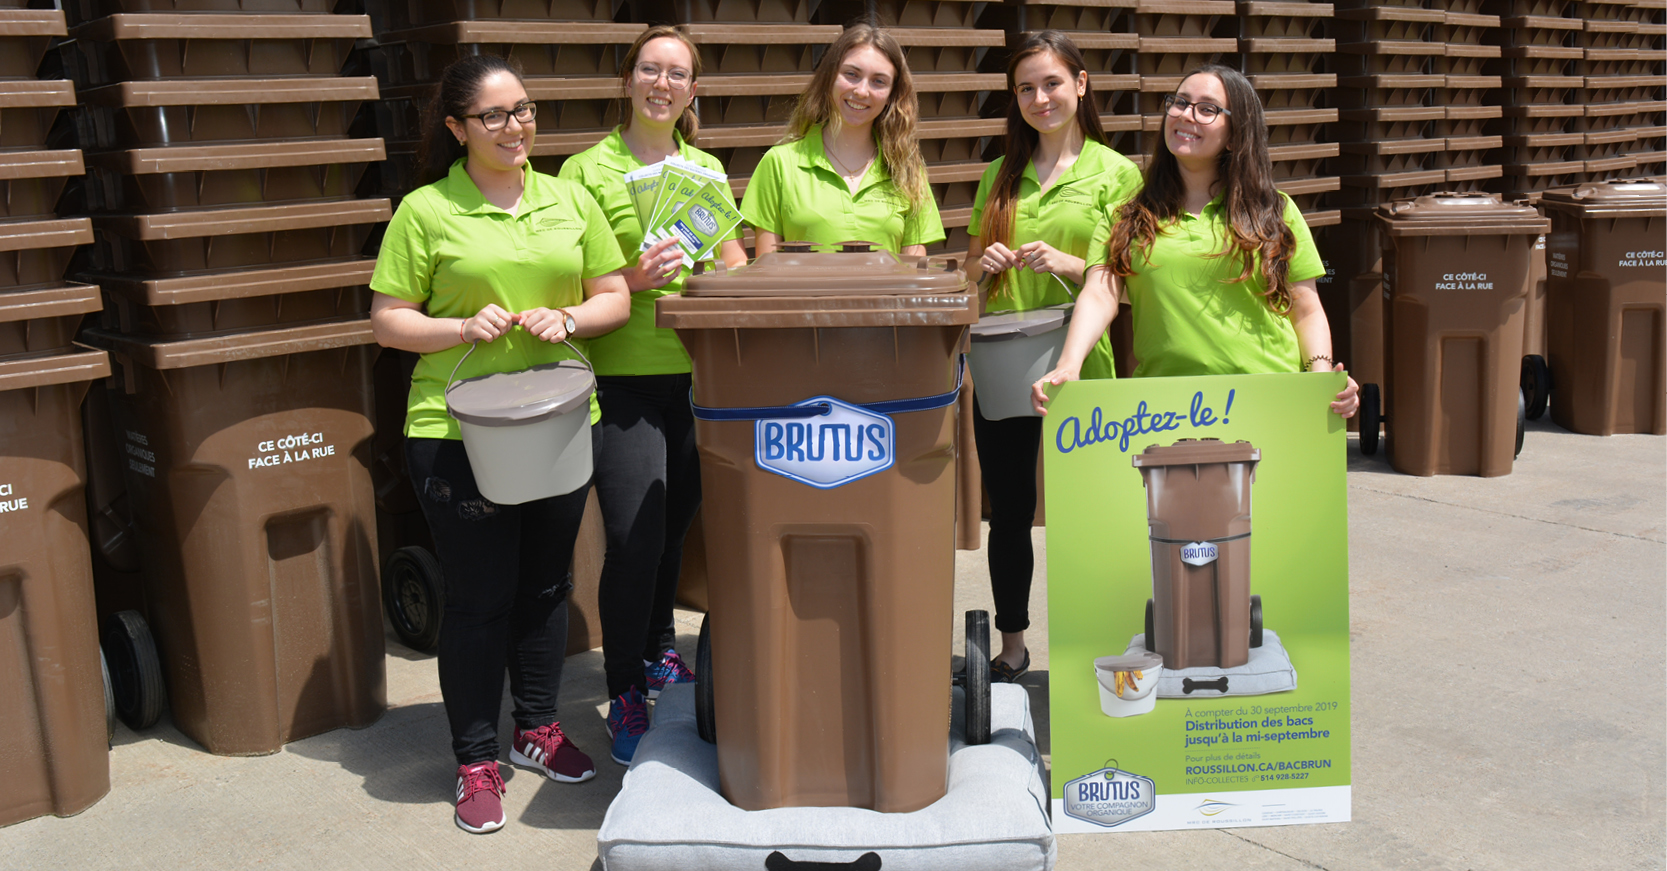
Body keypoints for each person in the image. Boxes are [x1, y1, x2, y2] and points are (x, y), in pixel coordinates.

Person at [368, 55, 631, 835]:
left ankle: (537, 730)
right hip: (455, 434)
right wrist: (458, 327)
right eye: (495, 116)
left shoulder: (568, 197)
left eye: (524, 110)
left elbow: (613, 295)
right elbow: (388, 319)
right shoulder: (425, 209)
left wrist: (572, 320)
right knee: (480, 599)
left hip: (553, 422)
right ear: (456, 129)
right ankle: (476, 757)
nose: (515, 127)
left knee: (546, 587)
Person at [557, 26, 749, 767]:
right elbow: (558, 282)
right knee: (635, 533)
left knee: (673, 525)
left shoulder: (702, 170)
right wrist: (626, 280)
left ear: (692, 92)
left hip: (697, 378)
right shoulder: (582, 172)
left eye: (677, 73)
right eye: (648, 69)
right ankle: (625, 684)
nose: (661, 83)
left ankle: (662, 648)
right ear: (627, 80)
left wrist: (716, 272)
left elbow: (733, 260)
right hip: (618, 376)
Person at [963, 31, 1144, 684]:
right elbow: (967, 282)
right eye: (1025, 88)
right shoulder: (997, 175)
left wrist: (1070, 262)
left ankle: (1093, 644)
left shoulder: (1115, 172)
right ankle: (1011, 645)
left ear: (1080, 85)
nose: (1039, 98)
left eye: (1051, 83)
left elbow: (1122, 274)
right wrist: (979, 265)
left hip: (1080, 368)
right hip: (1007, 366)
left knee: (1087, 516)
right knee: (1007, 513)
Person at [1033, 63, 1359, 419]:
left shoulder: (1274, 210)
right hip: (1166, 408)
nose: (1186, 115)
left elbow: (1306, 308)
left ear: (1235, 135)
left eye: (1207, 109)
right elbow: (1099, 293)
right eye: (1180, 103)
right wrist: (1069, 363)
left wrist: (1322, 377)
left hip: (1269, 401)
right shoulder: (1125, 215)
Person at [741, 21, 944, 255]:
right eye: (851, 74)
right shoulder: (779, 163)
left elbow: (914, 275)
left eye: (879, 81)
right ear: (830, 78)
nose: (861, 91)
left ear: (891, 95)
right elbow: (768, 272)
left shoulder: (907, 170)